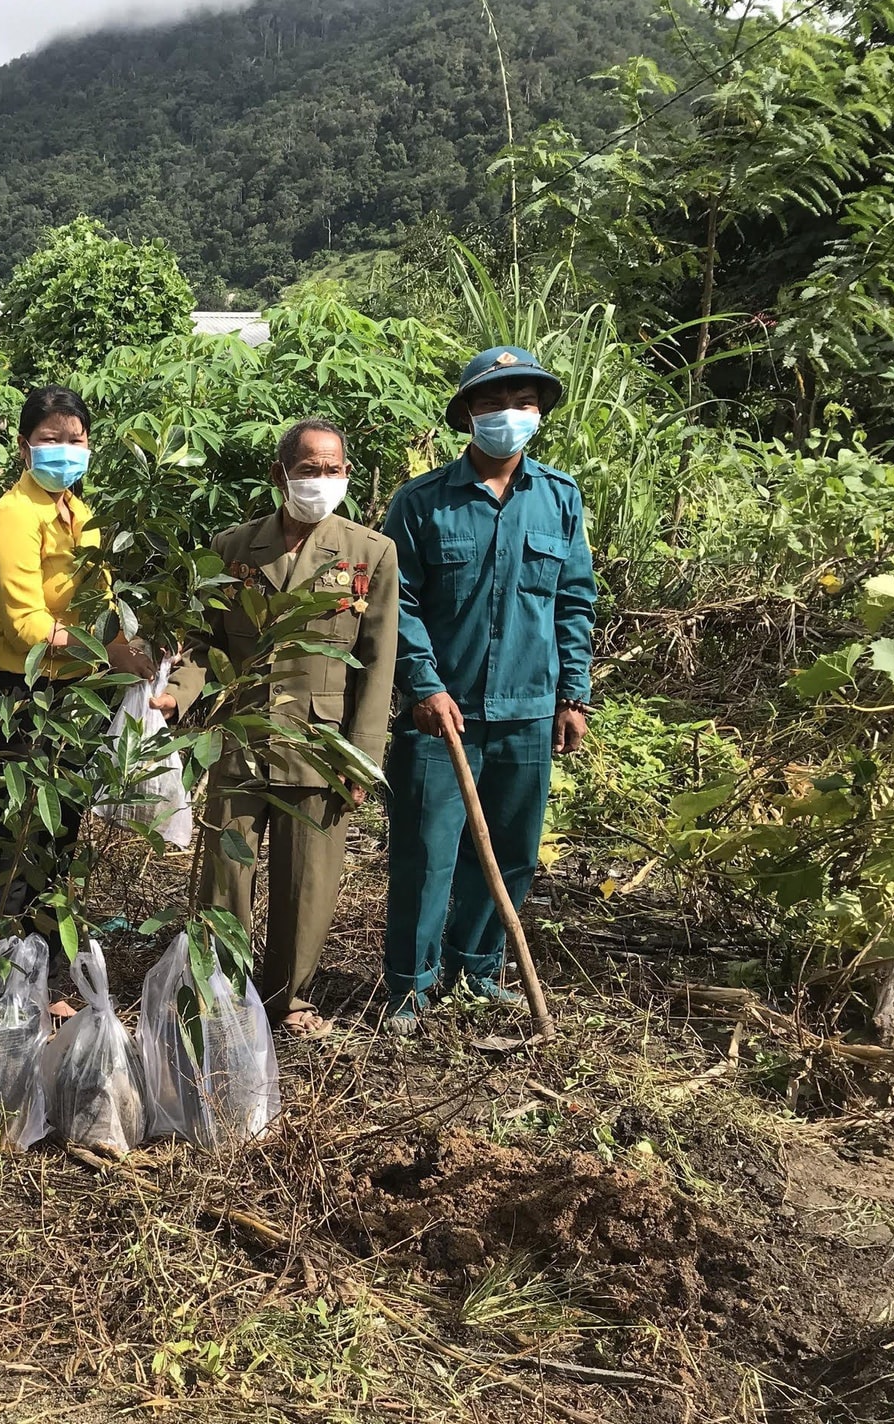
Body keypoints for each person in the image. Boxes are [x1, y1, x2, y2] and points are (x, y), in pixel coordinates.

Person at [379, 347, 596, 1035]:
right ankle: (409, 989)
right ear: (468, 414)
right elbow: (398, 605)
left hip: (529, 713)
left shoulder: (560, 500)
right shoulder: (421, 503)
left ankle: (476, 969)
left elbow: (574, 601)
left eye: (524, 401)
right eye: (495, 402)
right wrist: (424, 683)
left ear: (540, 414)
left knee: (510, 851)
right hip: (442, 717)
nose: (510, 415)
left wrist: (573, 695)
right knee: (425, 852)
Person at [187, 420, 398, 1040]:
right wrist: (176, 699)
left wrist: (361, 759)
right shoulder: (232, 548)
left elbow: (379, 662)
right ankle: (219, 991)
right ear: (280, 475)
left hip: (320, 744)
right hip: (241, 736)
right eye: (310, 469)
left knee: (308, 883)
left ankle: (288, 998)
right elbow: (204, 644)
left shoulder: (370, 552)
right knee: (226, 877)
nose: (322, 480)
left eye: (333, 469)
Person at [0, 386, 163, 958]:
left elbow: (102, 602)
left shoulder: (83, 515)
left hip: (74, 691)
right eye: (50, 439)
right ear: (26, 446)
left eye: (74, 440)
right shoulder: (12, 516)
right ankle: (1, 971)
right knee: (15, 836)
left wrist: (133, 648)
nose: (64, 451)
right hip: (19, 695)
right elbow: (27, 626)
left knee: (61, 830)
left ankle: (45, 960)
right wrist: (108, 653)